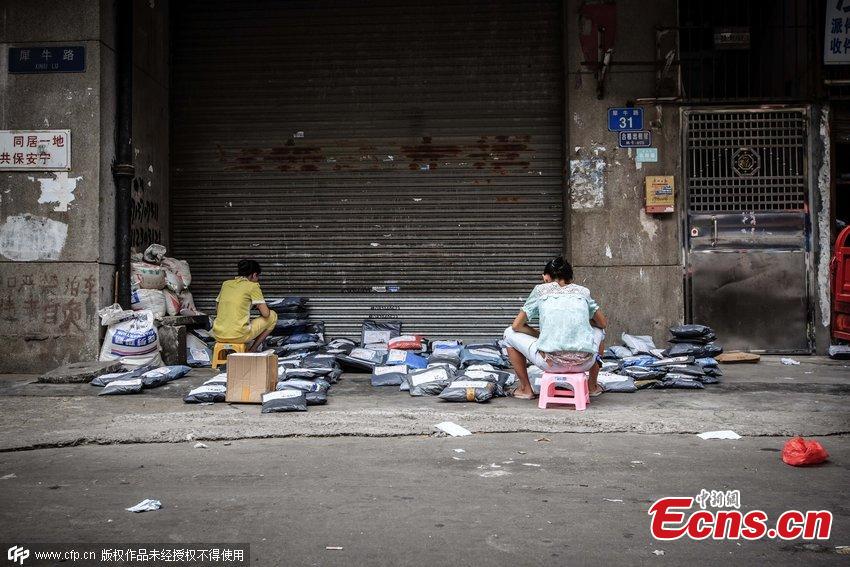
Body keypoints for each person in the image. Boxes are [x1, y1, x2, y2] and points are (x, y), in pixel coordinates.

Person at [504, 257, 606, 399]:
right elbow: (602, 323)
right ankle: (592, 386)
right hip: (584, 363)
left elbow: (517, 326)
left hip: (551, 363)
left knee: (508, 333)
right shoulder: (583, 292)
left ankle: (525, 389)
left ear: (546, 277)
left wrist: (538, 335)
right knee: (600, 331)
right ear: (570, 277)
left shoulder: (540, 290)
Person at [211, 259, 278, 352]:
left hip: (218, 335)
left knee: (245, 322)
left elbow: (218, 309)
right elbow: (266, 314)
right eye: (257, 276)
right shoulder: (253, 286)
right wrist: (259, 306)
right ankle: (252, 349)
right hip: (239, 335)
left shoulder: (226, 284)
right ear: (254, 275)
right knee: (273, 316)